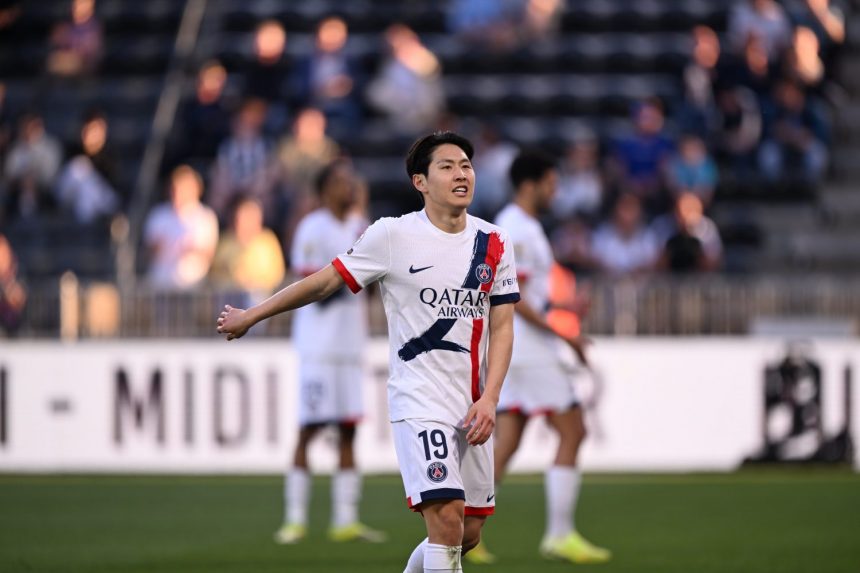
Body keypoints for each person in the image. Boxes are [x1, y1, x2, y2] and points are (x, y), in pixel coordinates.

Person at [218, 131, 521, 573]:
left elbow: (503, 325)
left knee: (467, 532)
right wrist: (253, 314)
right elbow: (324, 281)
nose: (462, 174)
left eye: (466, 166)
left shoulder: (495, 242)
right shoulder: (392, 235)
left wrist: (490, 397)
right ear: (420, 181)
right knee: (446, 519)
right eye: (448, 166)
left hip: (472, 404)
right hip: (420, 398)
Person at [472, 150, 610, 565]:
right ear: (530, 185)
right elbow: (512, 299)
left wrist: (564, 308)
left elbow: (526, 294)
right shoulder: (518, 229)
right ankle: (560, 534)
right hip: (529, 350)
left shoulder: (518, 225)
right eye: (551, 183)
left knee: (507, 442)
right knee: (573, 430)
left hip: (515, 350)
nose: (556, 191)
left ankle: (465, 533)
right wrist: (565, 336)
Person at [272, 159, 383, 545]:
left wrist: (370, 274)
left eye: (350, 181)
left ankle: (345, 520)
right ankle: (294, 519)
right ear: (323, 190)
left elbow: (372, 287)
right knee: (309, 429)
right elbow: (311, 288)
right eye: (339, 182)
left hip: (350, 346)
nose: (348, 187)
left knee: (350, 429)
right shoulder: (312, 228)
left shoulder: (360, 226)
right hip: (318, 347)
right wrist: (353, 275)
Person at [143, 165, 218, 290]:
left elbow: (210, 253)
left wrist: (192, 249)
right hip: (161, 284)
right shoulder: (158, 215)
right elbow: (147, 251)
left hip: (193, 286)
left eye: (183, 188)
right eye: (175, 188)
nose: (177, 193)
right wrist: (162, 247)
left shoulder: (206, 217)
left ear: (195, 189)